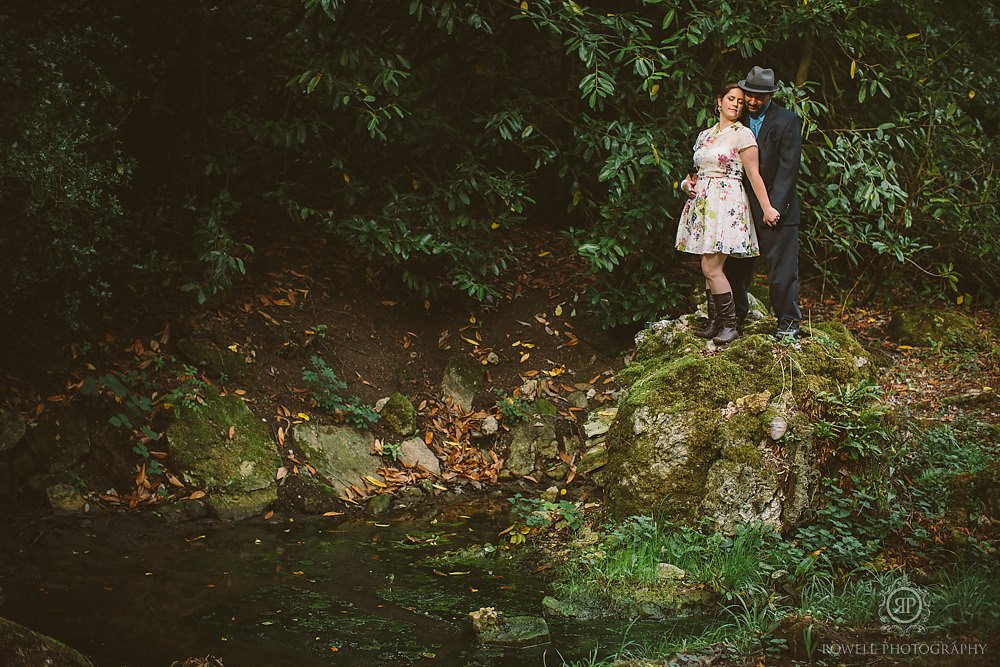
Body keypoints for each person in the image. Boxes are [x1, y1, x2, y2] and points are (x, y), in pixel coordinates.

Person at [676, 82, 780, 345]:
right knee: (708, 266)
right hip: (704, 204)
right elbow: (696, 172)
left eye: (741, 102)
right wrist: (685, 184)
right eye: (731, 99)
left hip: (726, 203)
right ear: (719, 101)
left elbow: (754, 174)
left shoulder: (742, 135)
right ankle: (715, 322)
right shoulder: (704, 135)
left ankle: (730, 325)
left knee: (711, 266)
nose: (736, 104)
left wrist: (767, 207)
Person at [723, 66, 804, 338]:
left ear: (771, 95)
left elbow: (787, 170)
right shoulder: (738, 118)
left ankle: (789, 324)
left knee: (781, 273)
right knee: (735, 267)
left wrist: (774, 209)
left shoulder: (787, 120)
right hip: (741, 208)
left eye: (760, 96)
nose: (753, 101)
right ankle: (737, 316)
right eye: (749, 95)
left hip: (779, 209)